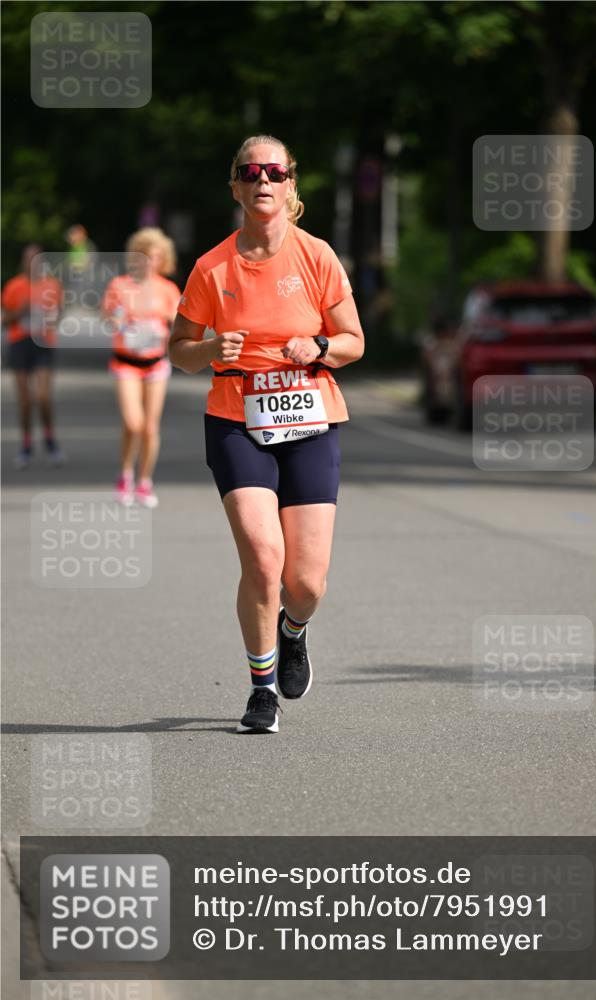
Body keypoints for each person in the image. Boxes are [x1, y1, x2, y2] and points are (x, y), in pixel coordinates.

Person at [169, 134, 364, 734]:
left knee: (305, 581)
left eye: (274, 173)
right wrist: (207, 348)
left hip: (309, 419)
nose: (263, 182)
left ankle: (294, 630)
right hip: (237, 420)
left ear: (290, 184)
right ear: (235, 185)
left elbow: (354, 341)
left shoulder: (317, 257)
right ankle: (261, 690)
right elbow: (178, 351)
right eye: (250, 172)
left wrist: (322, 346)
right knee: (262, 556)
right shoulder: (212, 267)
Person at [102, 227, 181, 507]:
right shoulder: (120, 286)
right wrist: (119, 320)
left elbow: (179, 325)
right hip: (126, 361)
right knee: (133, 423)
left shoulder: (168, 289)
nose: (150, 261)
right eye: (145, 255)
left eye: (156, 256)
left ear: (163, 260)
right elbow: (109, 317)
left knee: (150, 427)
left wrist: (166, 320)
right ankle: (125, 474)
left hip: (156, 363)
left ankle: (144, 481)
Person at [1, 244, 65, 468]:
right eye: (28, 259)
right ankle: (26, 445)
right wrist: (21, 311)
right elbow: (4, 320)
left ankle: (49, 439)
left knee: (42, 396)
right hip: (19, 343)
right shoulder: (14, 286)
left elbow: (58, 315)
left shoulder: (52, 285)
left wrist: (49, 316)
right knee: (25, 400)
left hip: (43, 343)